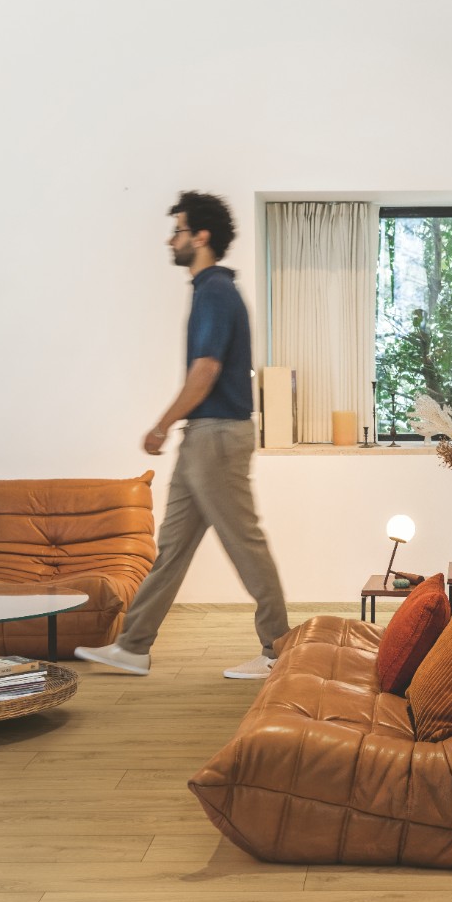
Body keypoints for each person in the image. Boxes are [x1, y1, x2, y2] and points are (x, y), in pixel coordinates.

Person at [76, 191, 289, 680]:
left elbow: (205, 370)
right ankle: (133, 647)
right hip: (204, 436)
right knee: (172, 547)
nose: (170, 240)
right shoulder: (209, 290)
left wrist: (161, 424)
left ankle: (278, 649)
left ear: (201, 236)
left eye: (178, 231)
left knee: (245, 543)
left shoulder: (215, 291)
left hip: (217, 436)